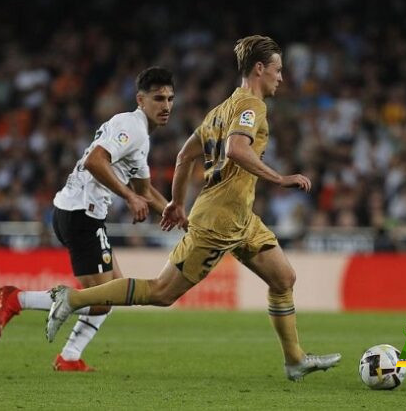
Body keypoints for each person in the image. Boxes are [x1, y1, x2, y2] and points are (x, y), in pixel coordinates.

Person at [45, 35, 341, 381]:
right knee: (161, 292)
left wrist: (176, 203)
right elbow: (236, 150)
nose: (281, 77)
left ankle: (294, 360)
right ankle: (73, 299)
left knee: (283, 278)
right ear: (259, 69)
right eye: (278, 69)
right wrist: (280, 178)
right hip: (220, 219)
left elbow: (185, 155)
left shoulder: (222, 109)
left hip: (241, 217)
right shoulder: (251, 107)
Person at [0, 67, 181, 371]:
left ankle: (69, 357)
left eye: (171, 99)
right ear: (141, 100)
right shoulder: (130, 126)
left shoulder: (140, 135)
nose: (167, 106)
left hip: (77, 212)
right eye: (159, 98)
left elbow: (144, 190)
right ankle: (18, 299)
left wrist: (178, 214)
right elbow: (95, 161)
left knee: (115, 291)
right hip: (82, 214)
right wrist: (130, 198)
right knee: (102, 298)